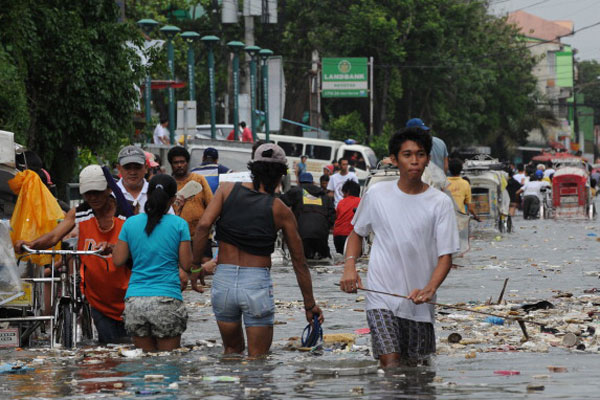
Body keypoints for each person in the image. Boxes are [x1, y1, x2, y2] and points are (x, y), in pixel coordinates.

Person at [340, 127, 459, 368]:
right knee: (390, 365)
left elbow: (445, 257)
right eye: (407, 154)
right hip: (380, 295)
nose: (414, 161)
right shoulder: (376, 194)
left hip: (419, 303)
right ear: (394, 159)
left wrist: (429, 288)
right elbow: (357, 233)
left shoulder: (440, 203)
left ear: (427, 159)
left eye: (420, 154)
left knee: (416, 371)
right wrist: (350, 266)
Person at [192, 143, 324, 357]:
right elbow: (299, 263)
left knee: (231, 352)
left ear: (252, 169)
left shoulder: (226, 191)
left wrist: (195, 267)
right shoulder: (280, 210)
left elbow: (203, 226)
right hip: (256, 284)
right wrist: (310, 306)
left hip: (223, 281)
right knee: (258, 360)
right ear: (281, 175)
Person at [15, 165, 131, 343]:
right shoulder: (80, 213)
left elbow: (139, 248)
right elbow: (54, 236)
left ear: (108, 190)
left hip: (129, 295)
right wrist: (31, 244)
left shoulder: (127, 214)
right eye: (87, 193)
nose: (92, 198)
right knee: (110, 349)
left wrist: (114, 247)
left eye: (97, 192)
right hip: (98, 298)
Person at [113, 174, 191, 352]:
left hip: (135, 302)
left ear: (147, 195)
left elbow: (118, 260)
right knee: (167, 365)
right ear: (172, 200)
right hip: (167, 300)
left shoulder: (131, 223)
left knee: (144, 368)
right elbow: (186, 264)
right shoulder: (179, 225)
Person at [281, 172, 335, 260]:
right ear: (312, 182)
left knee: (302, 261)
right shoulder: (324, 195)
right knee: (324, 261)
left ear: (299, 182)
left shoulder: (296, 191)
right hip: (321, 234)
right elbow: (332, 215)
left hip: (302, 233)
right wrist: (325, 227)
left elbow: (280, 202)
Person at [116, 145, 149, 214]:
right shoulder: (111, 194)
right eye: (127, 167)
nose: (132, 172)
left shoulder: (155, 192)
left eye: (137, 167)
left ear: (146, 168)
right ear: (119, 168)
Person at [333, 180, 361, 255]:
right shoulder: (361, 202)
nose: (343, 196)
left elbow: (337, 217)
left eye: (343, 193)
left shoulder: (340, 203)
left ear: (347, 192)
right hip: (352, 236)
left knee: (341, 260)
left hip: (338, 236)